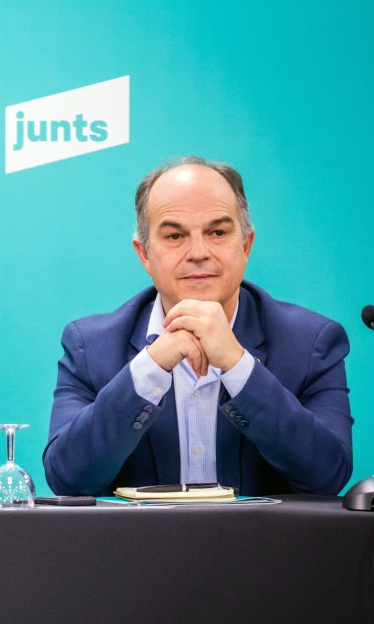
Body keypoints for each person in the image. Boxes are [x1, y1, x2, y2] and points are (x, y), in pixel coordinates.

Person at [43, 157, 352, 497]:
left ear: (246, 244)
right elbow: (67, 478)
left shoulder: (312, 342)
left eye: (217, 232)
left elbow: (327, 476)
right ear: (144, 254)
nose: (198, 252)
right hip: (138, 548)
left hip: (263, 548)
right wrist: (151, 366)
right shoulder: (90, 346)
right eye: (175, 235)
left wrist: (238, 365)